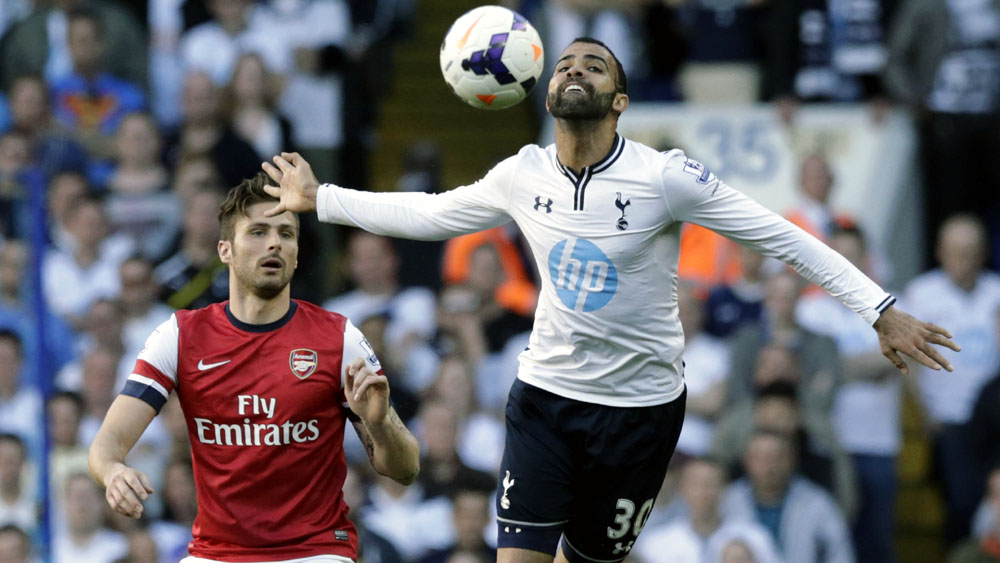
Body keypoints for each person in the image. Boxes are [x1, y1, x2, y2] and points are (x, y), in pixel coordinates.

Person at [262, 37, 959, 563]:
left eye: (594, 66)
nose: (574, 70)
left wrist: (878, 307)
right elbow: (430, 212)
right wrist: (321, 199)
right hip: (546, 399)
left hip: (642, 411)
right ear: (546, 93)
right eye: (565, 64)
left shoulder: (664, 177)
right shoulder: (522, 173)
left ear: (620, 101)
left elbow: (781, 235)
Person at [87, 173, 420, 562]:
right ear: (225, 250)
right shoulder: (180, 336)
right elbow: (107, 443)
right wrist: (112, 472)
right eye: (258, 232)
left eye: (286, 233)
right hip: (216, 553)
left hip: (314, 551)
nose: (274, 242)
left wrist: (379, 424)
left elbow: (406, 469)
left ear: (296, 254)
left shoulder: (339, 338)